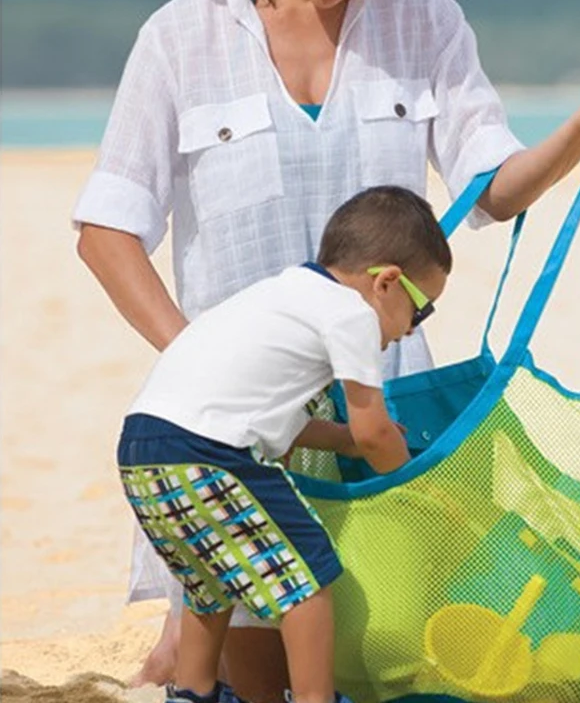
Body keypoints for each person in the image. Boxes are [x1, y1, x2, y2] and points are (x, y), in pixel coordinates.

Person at [73, 0, 580, 697]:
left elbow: (494, 189)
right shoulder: (181, 35)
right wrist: (203, 366)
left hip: (374, 409)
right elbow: (107, 231)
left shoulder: (427, 21)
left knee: (384, 656)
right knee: (262, 669)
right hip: (241, 442)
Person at [117, 186, 451, 703]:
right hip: (211, 454)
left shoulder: (285, 292)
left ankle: (193, 691)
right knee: (308, 578)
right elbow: (374, 430)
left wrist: (342, 440)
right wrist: (416, 486)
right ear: (387, 282)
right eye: (421, 311)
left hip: (144, 448)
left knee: (211, 583)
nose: (411, 331)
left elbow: (275, 418)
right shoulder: (352, 314)